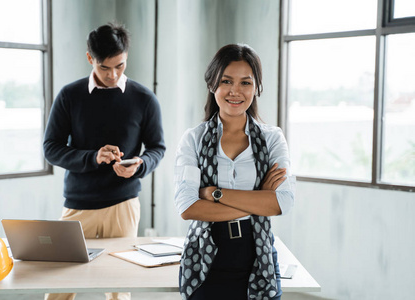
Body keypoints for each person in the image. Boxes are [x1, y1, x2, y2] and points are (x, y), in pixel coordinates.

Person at [43, 22, 165, 300]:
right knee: (58, 286)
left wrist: (141, 164)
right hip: (78, 205)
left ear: (126, 57)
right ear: (90, 58)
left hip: (123, 205)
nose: (112, 75)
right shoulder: (69, 96)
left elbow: (157, 148)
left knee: (120, 288)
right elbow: (51, 149)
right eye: (104, 67)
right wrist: (92, 156)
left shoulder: (145, 98)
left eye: (119, 66)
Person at [174, 44, 295, 300]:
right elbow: (187, 207)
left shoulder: (273, 138)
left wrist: (214, 193)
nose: (235, 91)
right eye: (226, 81)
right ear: (212, 84)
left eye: (246, 83)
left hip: (257, 255)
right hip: (206, 259)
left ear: (256, 88)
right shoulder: (193, 139)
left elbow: (282, 201)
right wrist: (260, 199)